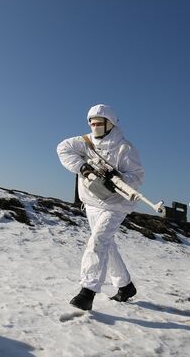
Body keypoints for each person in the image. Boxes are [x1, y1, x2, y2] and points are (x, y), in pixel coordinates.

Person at [57, 104, 145, 311]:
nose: (95, 126)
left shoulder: (125, 148)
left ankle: (87, 292)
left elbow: (137, 176)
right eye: (92, 123)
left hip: (117, 204)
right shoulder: (83, 142)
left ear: (110, 124)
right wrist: (82, 167)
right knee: (107, 243)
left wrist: (118, 178)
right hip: (92, 202)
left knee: (98, 241)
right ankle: (125, 285)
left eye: (99, 123)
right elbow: (63, 148)